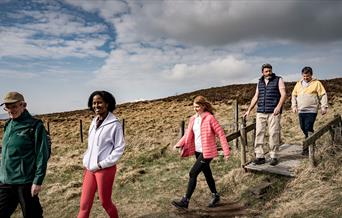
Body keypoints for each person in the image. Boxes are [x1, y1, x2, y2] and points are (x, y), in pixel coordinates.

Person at [172, 95, 230, 209]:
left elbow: (221, 134)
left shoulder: (210, 118)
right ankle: (215, 195)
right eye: (194, 107)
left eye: (198, 106)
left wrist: (226, 151)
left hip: (207, 152)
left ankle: (185, 201)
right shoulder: (193, 119)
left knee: (193, 173)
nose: (196, 109)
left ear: (203, 106)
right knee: (207, 173)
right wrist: (179, 144)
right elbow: (188, 134)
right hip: (198, 152)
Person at [0, 91, 50, 218]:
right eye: (7, 107)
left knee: (32, 215)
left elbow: (42, 155)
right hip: (6, 181)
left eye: (14, 106)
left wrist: (37, 180)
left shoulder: (35, 125)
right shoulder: (8, 125)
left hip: (25, 182)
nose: (11, 110)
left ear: (23, 105)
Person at [77, 91, 125, 218]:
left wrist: (101, 164)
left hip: (105, 169)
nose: (96, 105)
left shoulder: (115, 124)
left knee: (105, 203)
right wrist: (86, 159)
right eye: (93, 103)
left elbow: (119, 148)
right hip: (89, 169)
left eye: (99, 102)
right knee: (84, 205)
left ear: (107, 104)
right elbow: (91, 145)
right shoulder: (94, 121)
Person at [243, 63, 286, 166]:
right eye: (266, 71)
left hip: (273, 112)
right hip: (261, 112)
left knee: (273, 133)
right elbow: (256, 96)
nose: (268, 73)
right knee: (259, 133)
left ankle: (274, 156)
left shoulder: (278, 79)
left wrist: (278, 107)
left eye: (270, 71)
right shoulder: (259, 82)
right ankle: (259, 156)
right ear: (262, 72)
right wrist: (249, 110)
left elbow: (283, 94)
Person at [291, 66, 328, 154]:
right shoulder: (298, 84)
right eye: (304, 76)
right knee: (303, 127)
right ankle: (311, 141)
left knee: (308, 127)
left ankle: (307, 148)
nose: (305, 78)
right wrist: (294, 106)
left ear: (311, 75)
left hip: (312, 110)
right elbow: (294, 95)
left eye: (307, 76)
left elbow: (323, 95)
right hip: (301, 110)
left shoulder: (317, 83)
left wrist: (324, 106)